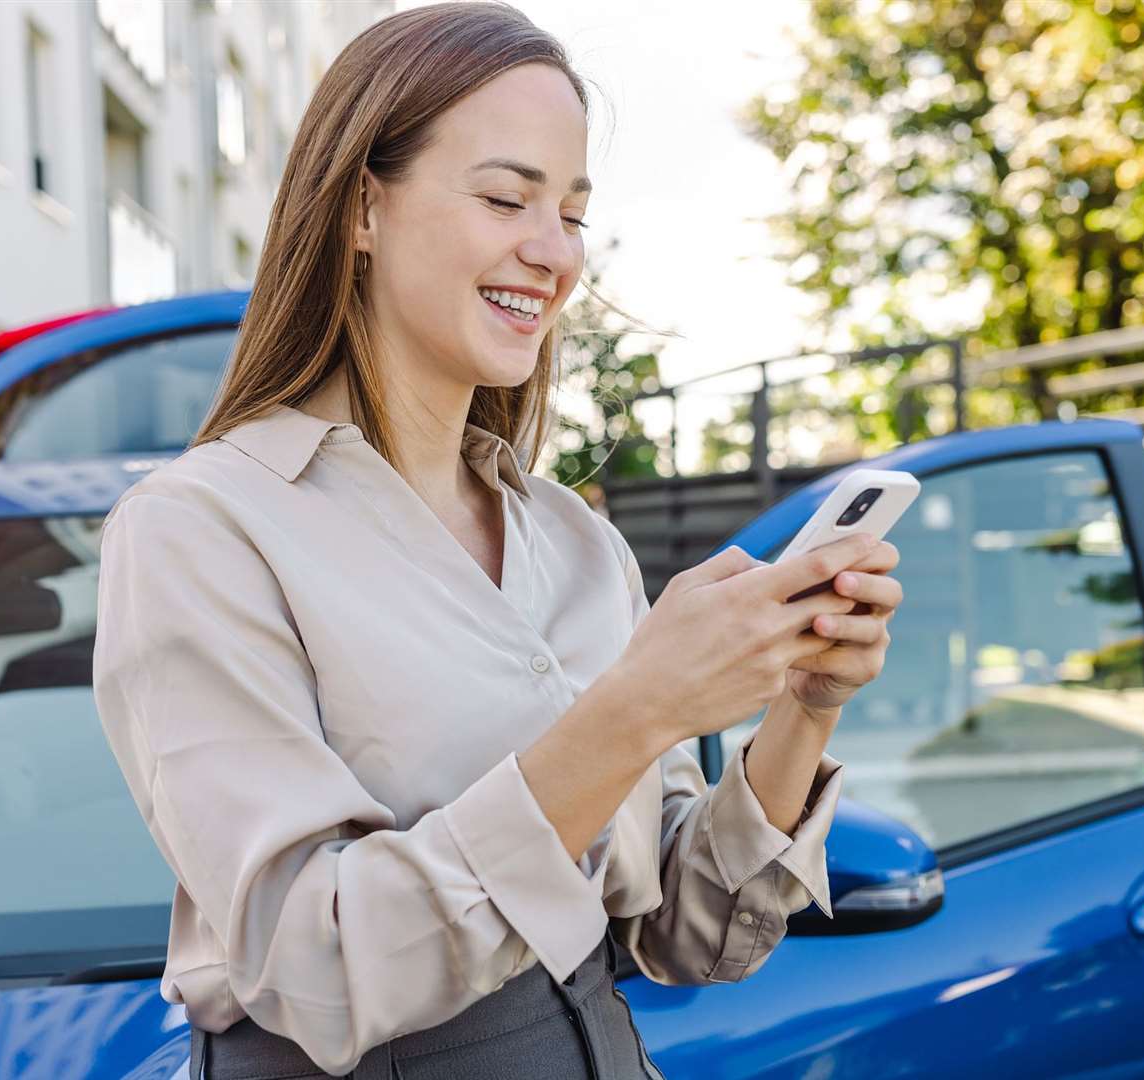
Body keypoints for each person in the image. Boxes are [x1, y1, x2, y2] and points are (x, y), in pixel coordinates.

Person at [90, 4, 903, 1077]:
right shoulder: (200, 531)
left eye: (570, 212)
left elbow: (687, 932)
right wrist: (635, 711)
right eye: (505, 198)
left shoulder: (575, 543)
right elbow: (315, 965)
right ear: (362, 207)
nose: (552, 252)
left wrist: (802, 707)